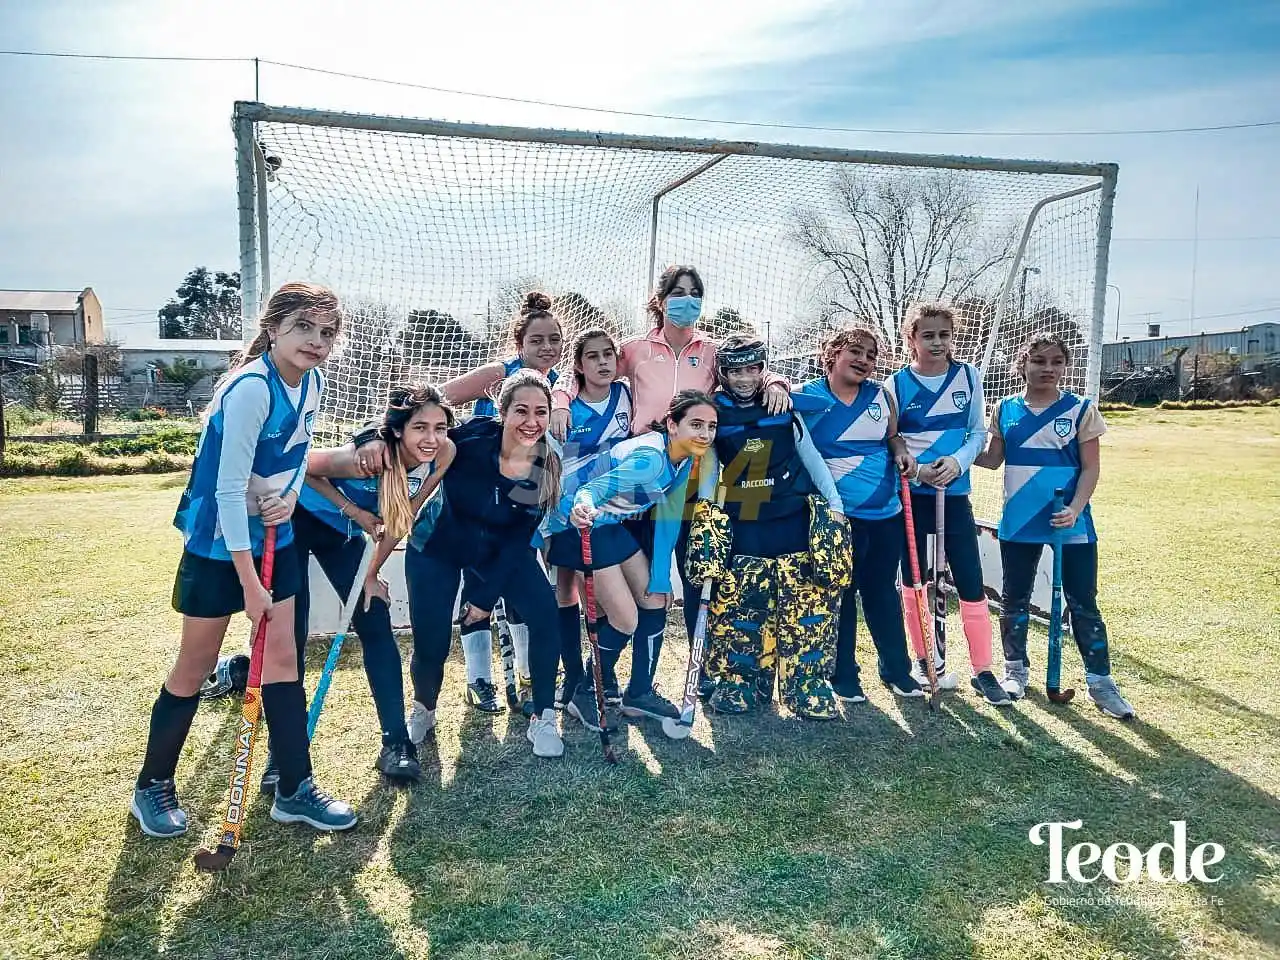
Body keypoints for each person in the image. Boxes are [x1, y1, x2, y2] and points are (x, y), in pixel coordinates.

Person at [130, 282, 357, 839]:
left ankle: (293, 789)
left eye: (327, 333)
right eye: (305, 327)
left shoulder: (315, 383)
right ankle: (152, 786)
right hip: (217, 544)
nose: (317, 342)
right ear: (275, 326)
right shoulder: (250, 389)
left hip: (271, 538)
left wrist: (286, 493)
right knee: (196, 664)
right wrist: (251, 584)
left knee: (282, 661)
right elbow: (229, 493)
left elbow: (300, 455)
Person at [548, 266, 792, 671]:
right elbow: (587, 367)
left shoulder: (712, 351)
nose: (687, 299)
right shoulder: (636, 349)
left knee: (692, 577)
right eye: (678, 292)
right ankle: (615, 679)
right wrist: (559, 400)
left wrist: (778, 384)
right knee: (640, 587)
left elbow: (751, 370)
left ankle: (703, 670)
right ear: (660, 301)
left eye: (695, 292)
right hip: (642, 478)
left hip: (690, 477)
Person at [275, 384, 456, 789]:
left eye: (440, 427)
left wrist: (371, 574)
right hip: (297, 521)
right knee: (292, 635)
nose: (431, 438)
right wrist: (354, 510)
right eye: (420, 428)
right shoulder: (367, 459)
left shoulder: (443, 454)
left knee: (374, 621)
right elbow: (300, 465)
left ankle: (396, 743)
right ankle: (283, 752)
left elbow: (400, 516)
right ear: (398, 431)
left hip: (343, 536)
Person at [392, 370, 567, 757]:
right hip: (437, 545)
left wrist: (485, 597)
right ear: (502, 411)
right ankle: (424, 709)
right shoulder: (469, 438)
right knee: (432, 641)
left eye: (541, 412)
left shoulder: (543, 465)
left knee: (544, 614)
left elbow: (516, 540)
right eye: (521, 410)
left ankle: (543, 716)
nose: (532, 422)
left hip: (500, 549)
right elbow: (415, 440)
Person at [975, 332, 1134, 718]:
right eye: (1039, 361)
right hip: (1018, 521)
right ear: (1022, 365)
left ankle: (1101, 683)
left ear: (1065, 366)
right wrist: (945, 450)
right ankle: (1016, 673)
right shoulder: (1005, 409)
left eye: (1056, 362)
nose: (1048, 368)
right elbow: (992, 459)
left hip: (1070, 521)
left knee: (1083, 603)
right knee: (1013, 599)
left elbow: (1092, 467)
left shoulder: (1081, 409)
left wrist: (1076, 508)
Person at [692, 335, 852, 720]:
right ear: (722, 373)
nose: (745, 378)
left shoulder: (784, 407)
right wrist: (709, 521)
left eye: (753, 369)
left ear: (763, 369)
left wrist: (836, 510)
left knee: (807, 607)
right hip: (745, 525)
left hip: (794, 522)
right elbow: (711, 474)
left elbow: (812, 459)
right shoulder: (716, 414)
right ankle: (743, 681)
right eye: (735, 371)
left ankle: (807, 683)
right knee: (743, 605)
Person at [544, 390, 717, 737]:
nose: (705, 434)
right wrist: (583, 506)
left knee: (655, 599)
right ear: (672, 424)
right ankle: (584, 691)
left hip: (608, 527)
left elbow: (668, 518)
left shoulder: (684, 461)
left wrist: (661, 576)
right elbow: (593, 490)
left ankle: (638, 693)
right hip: (575, 526)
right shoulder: (650, 459)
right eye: (695, 425)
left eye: (711, 427)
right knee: (625, 619)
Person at [440, 292, 564, 708]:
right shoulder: (499, 371)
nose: (546, 348)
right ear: (520, 344)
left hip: (529, 492)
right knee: (475, 580)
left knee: (518, 572)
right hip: (478, 496)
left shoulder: (559, 385)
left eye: (554, 339)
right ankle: (479, 678)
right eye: (537, 340)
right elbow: (441, 398)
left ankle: (528, 670)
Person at [885, 302, 1010, 706]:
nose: (937, 342)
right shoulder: (896, 384)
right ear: (912, 340)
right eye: (928, 335)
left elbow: (976, 433)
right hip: (913, 498)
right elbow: (892, 438)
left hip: (954, 496)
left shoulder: (969, 377)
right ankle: (927, 661)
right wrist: (919, 470)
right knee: (916, 580)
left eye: (944, 335)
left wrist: (956, 462)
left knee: (970, 581)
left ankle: (983, 670)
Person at [797, 323, 925, 704]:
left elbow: (892, 437)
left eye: (871, 355)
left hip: (885, 513)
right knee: (841, 593)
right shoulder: (806, 397)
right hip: (837, 517)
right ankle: (843, 674)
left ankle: (896, 670)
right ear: (832, 353)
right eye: (855, 351)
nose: (864, 361)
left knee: (882, 592)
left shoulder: (881, 396)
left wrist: (901, 450)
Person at [546, 327, 634, 724]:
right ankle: (579, 679)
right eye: (592, 356)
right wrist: (560, 397)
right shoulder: (563, 407)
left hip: (617, 515)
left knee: (599, 602)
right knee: (573, 595)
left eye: (608, 355)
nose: (602, 362)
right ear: (578, 365)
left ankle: (599, 676)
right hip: (572, 518)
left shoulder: (626, 396)